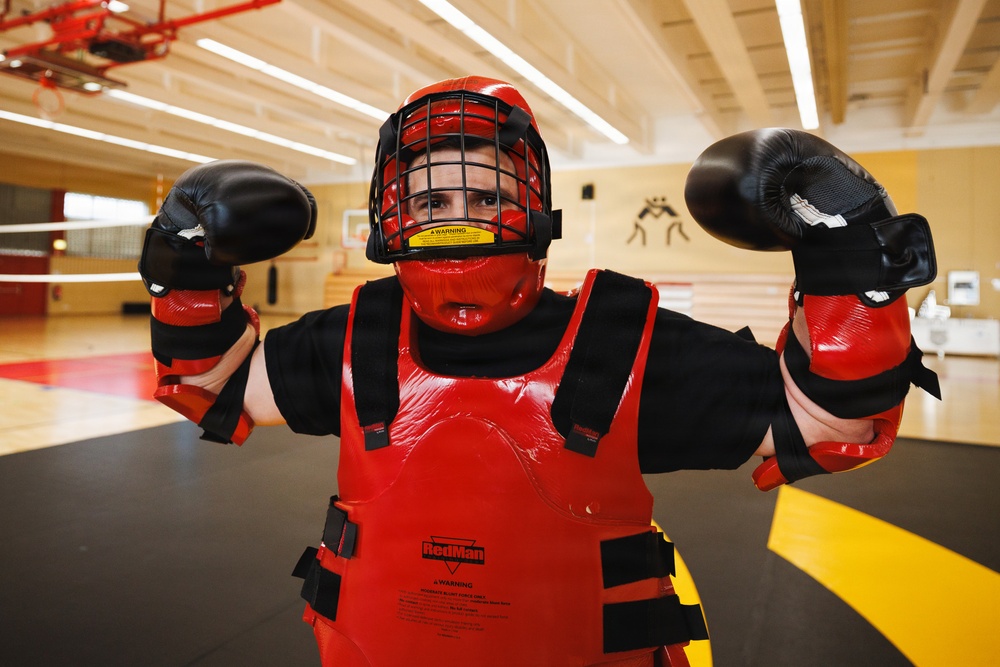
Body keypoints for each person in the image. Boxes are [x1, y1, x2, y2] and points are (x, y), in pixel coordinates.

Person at [137, 76, 940, 667]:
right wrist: (181, 267)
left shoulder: (622, 342)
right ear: (396, 217)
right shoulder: (358, 335)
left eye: (483, 194)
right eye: (430, 199)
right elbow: (211, 386)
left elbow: (830, 427)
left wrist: (851, 256)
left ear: (533, 209)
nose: (454, 214)